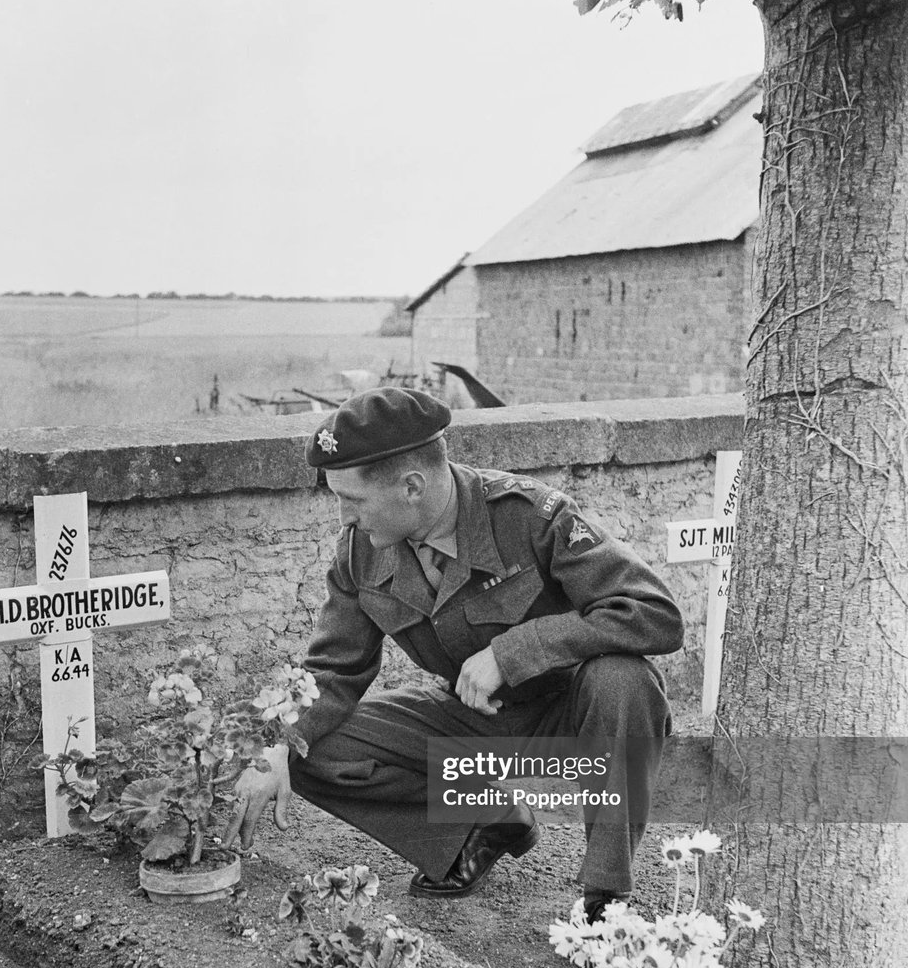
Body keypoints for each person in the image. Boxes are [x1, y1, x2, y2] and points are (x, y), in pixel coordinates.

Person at [223, 387, 684, 919]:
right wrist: (277, 744)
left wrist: (514, 652)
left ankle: (607, 895)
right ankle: (486, 822)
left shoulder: (530, 517)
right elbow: (332, 669)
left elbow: (655, 614)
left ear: (412, 486)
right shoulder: (360, 554)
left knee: (625, 680)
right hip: (469, 719)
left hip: (569, 715)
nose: (344, 517)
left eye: (353, 500)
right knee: (313, 749)